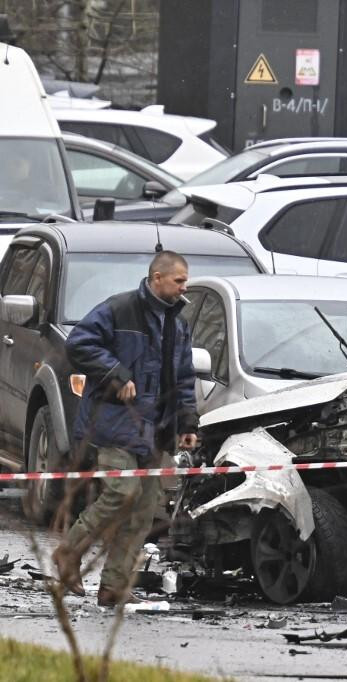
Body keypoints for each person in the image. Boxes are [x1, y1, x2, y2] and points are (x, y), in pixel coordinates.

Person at [51, 250, 199, 606]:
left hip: (155, 430)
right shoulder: (119, 309)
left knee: (144, 509)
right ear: (157, 278)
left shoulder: (177, 325)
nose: (184, 287)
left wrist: (187, 422)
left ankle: (114, 587)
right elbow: (79, 343)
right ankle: (69, 552)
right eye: (179, 280)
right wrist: (116, 374)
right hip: (114, 424)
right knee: (122, 493)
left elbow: (183, 378)